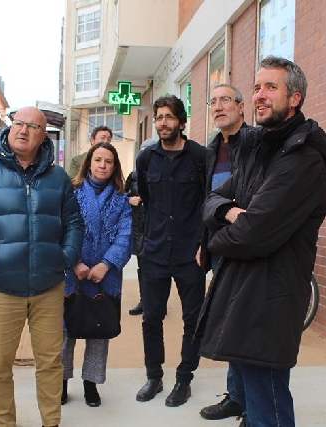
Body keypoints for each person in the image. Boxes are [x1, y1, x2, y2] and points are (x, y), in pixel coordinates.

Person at [196, 56, 326, 427]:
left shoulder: (302, 159)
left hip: (270, 301)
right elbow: (211, 199)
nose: (259, 95)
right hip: (245, 291)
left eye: (270, 87)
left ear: (295, 98)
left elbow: (253, 235)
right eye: (257, 87)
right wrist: (228, 212)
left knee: (268, 409)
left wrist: (215, 241)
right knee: (254, 400)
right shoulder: (262, 149)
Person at [0, 106, 84, 427]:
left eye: (32, 126)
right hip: (2, 287)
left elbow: (74, 222)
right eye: (18, 124)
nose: (23, 130)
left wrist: (65, 256)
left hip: (48, 287)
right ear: (9, 129)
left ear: (43, 135)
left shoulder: (58, 177)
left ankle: (51, 423)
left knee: (50, 363)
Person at [134, 95, 207, 407]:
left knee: (194, 319)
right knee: (152, 317)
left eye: (169, 117)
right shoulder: (147, 158)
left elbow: (208, 201)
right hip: (155, 252)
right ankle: (154, 376)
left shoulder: (202, 157)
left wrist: (205, 244)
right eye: (159, 117)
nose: (163, 123)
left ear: (181, 121)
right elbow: (148, 200)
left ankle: (184, 379)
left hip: (191, 253)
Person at [197, 84, 255, 421]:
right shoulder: (212, 149)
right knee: (231, 322)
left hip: (250, 245)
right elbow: (206, 201)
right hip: (220, 249)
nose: (219, 106)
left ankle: (255, 403)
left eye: (226, 100)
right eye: (213, 101)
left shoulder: (257, 144)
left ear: (241, 108)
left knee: (249, 324)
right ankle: (237, 396)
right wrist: (202, 244)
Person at [61, 142, 132, 407]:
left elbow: (125, 236)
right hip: (73, 275)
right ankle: (62, 382)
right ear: (89, 162)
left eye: (108, 161)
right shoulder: (72, 193)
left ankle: (91, 384)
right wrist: (74, 262)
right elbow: (62, 229)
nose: (102, 165)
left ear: (114, 166)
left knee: (98, 332)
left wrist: (106, 264)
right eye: (98, 160)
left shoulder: (121, 199)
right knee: (65, 332)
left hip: (106, 277)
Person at [125, 168, 145, 315]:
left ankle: (157, 302)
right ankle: (144, 301)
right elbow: (121, 195)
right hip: (138, 226)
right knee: (142, 266)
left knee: (158, 269)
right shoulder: (133, 175)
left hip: (157, 227)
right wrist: (129, 200)